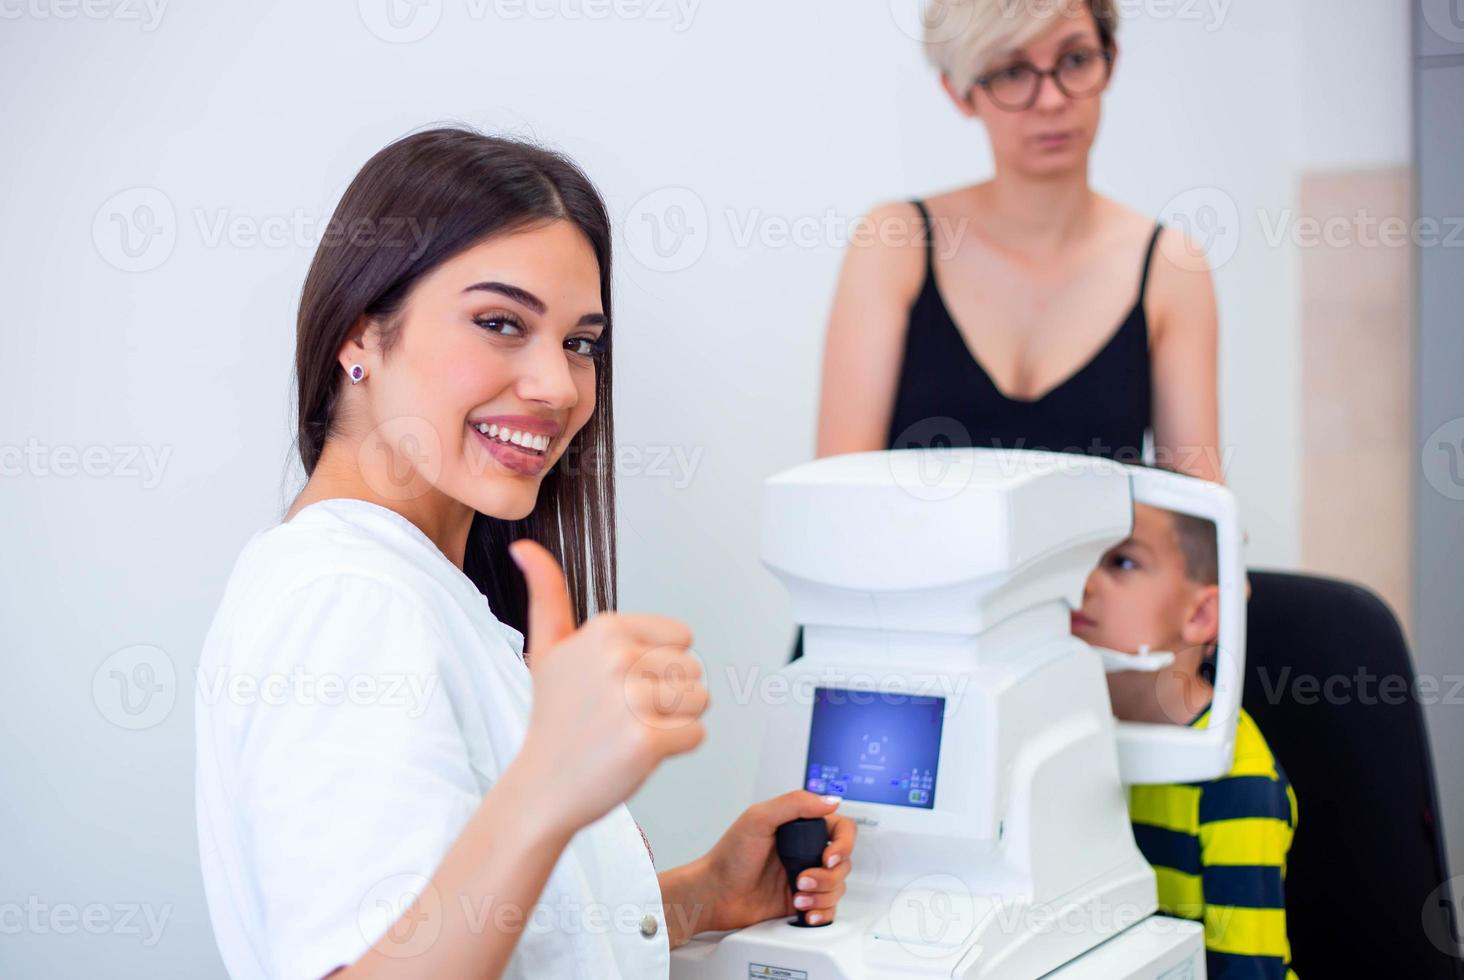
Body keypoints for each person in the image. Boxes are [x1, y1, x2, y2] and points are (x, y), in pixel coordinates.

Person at [194, 127, 855, 980]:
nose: (560, 386)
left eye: (581, 342)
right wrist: (546, 789)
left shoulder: (416, 591)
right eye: (501, 323)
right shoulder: (352, 602)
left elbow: (482, 934)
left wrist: (702, 895)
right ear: (359, 335)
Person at [817, 0, 1223, 483]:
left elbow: (1194, 524)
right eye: (1012, 71)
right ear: (960, 92)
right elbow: (836, 499)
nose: (1051, 99)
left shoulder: (1171, 266)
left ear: (1110, 60)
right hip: (912, 560)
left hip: (1096, 562)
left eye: (1075, 60)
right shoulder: (894, 243)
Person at [1072, 500, 1298, 979]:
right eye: (1083, 558)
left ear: (1200, 616)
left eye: (1122, 562)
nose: (1085, 582)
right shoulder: (1068, 738)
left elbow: (1248, 972)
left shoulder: (1237, 779)